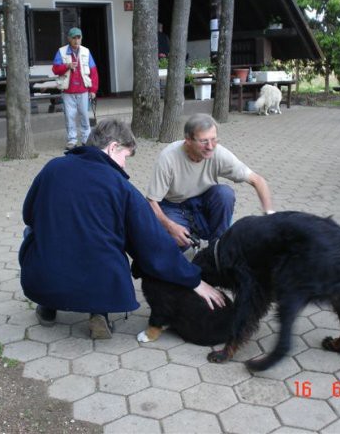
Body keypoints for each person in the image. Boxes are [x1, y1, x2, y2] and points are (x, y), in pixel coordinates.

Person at [19, 118, 225, 340]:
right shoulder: (121, 187)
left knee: (33, 233)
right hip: (99, 282)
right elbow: (153, 244)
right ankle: (99, 311)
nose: (125, 165)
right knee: (107, 246)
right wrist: (194, 280)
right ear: (112, 147)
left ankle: (48, 304)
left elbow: (28, 215)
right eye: (125, 156)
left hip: (43, 278)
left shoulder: (52, 167)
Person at [147, 113, 274, 249]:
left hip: (202, 201)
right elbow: (151, 202)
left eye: (214, 139)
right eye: (204, 141)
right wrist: (170, 226)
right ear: (188, 140)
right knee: (177, 243)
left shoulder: (218, 153)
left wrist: (270, 217)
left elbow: (258, 180)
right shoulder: (168, 158)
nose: (210, 146)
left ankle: (218, 247)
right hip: (173, 205)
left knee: (224, 193)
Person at [52, 27, 99, 150]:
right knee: (69, 116)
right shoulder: (61, 52)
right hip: (68, 91)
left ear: (81, 38)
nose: (76, 40)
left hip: (83, 90)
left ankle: (86, 139)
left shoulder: (86, 52)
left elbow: (93, 72)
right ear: (69, 39)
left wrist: (93, 90)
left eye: (78, 37)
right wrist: (67, 66)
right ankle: (72, 140)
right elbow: (55, 69)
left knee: (84, 115)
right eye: (74, 38)